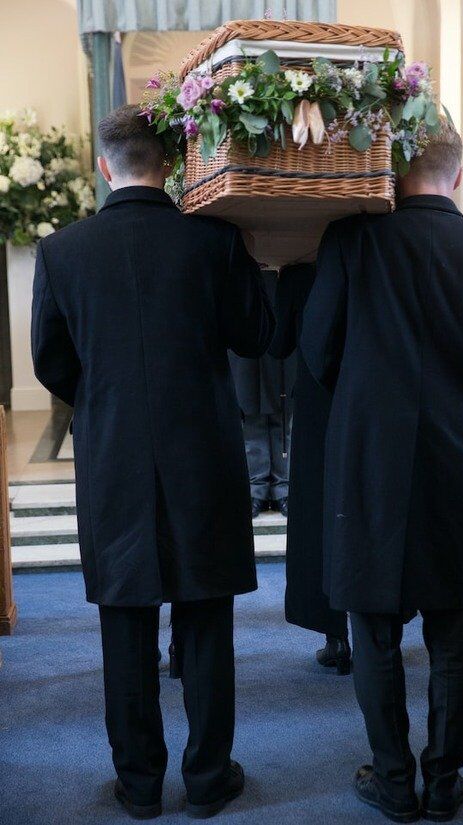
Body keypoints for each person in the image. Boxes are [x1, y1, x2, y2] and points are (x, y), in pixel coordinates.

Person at [31, 104, 273, 820]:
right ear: (168, 165)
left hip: (114, 455)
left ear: (104, 168)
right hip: (202, 451)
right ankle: (208, 779)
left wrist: (105, 400)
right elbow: (256, 336)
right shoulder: (215, 239)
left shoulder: (62, 250)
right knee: (206, 615)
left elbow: (50, 360)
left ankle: (139, 785)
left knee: (125, 621)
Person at [301, 120, 463, 823]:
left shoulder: (350, 240)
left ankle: (393, 779)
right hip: (451, 453)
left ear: (392, 171)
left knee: (372, 623)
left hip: (367, 453)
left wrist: (364, 396)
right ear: (458, 175)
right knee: (452, 624)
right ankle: (445, 781)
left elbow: (318, 350)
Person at [270, 263, 350, 674]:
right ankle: (377, 636)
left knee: (318, 514)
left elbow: (277, 344)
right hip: (370, 401)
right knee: (363, 510)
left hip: (318, 407)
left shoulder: (299, 274)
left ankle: (334, 635)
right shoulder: (376, 260)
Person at [229, 269, 296, 519]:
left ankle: (283, 487)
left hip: (281, 291)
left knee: (283, 408)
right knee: (250, 406)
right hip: (246, 295)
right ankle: (256, 488)